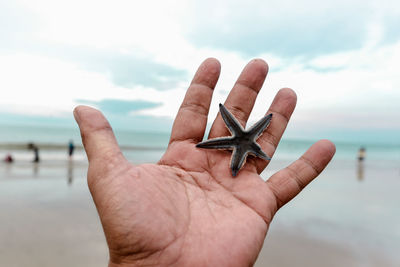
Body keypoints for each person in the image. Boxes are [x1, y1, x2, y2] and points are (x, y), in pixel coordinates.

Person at [74, 58, 336, 266]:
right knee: (239, 139)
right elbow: (235, 134)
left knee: (244, 139)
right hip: (242, 145)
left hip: (243, 145)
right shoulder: (242, 142)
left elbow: (252, 133)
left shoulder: (247, 144)